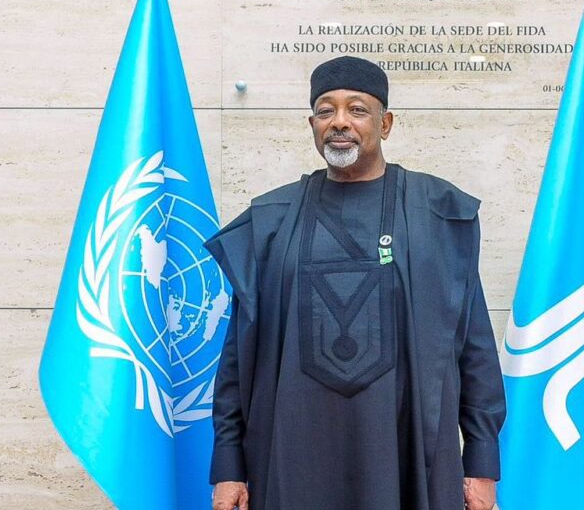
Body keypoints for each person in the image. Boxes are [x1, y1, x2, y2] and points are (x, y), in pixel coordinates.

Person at [203, 56, 505, 510]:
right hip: (288, 463)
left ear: (385, 124)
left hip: (410, 458)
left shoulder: (436, 214)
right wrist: (229, 467)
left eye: (357, 109)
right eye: (326, 110)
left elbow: (474, 346)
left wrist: (480, 462)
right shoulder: (270, 222)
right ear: (312, 125)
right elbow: (236, 358)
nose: (340, 122)